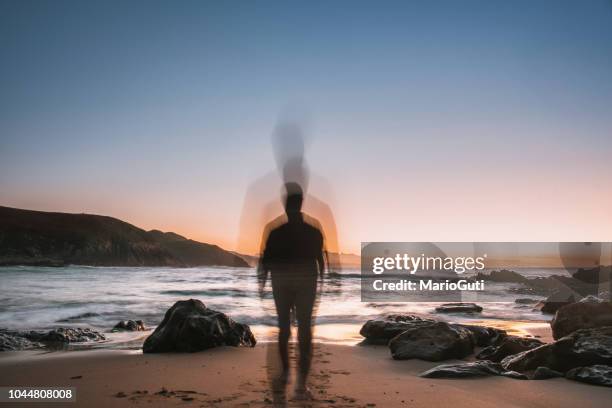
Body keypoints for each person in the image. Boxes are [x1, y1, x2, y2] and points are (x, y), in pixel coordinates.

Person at [258, 182, 326, 400]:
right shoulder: (314, 230)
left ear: (286, 205)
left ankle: (286, 373)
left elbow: (265, 260)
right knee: (305, 329)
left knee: (284, 328)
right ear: (301, 203)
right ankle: (301, 386)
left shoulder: (275, 231)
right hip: (306, 280)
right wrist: (324, 282)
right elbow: (320, 260)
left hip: (282, 280)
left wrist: (262, 283)